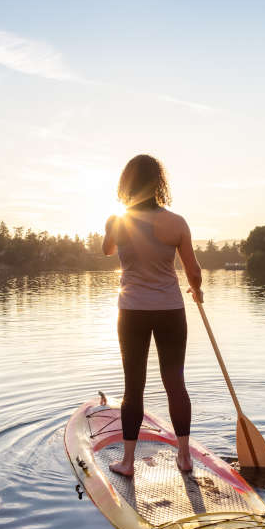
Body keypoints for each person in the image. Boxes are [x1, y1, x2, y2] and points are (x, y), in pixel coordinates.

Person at [103, 154, 202, 475]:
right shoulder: (177, 223)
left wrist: (114, 225)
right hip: (171, 309)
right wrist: (197, 290)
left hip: (132, 311)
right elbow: (193, 270)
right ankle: (185, 457)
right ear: (159, 183)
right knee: (176, 383)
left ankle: (128, 462)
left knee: (134, 387)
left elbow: (106, 250)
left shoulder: (117, 221)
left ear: (127, 184)